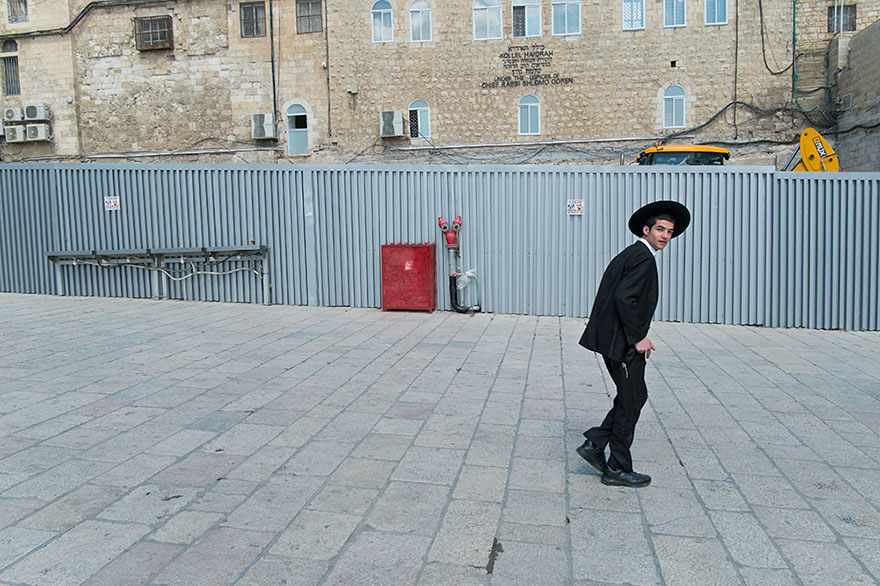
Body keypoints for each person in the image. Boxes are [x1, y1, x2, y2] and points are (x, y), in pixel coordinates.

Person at [576, 200, 690, 488]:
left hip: (615, 339)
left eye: (670, 231)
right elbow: (625, 299)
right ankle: (617, 467)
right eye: (660, 229)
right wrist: (638, 338)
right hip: (623, 342)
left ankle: (596, 443)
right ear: (646, 230)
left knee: (634, 397)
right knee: (632, 401)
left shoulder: (635, 253)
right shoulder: (642, 257)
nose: (665, 235)